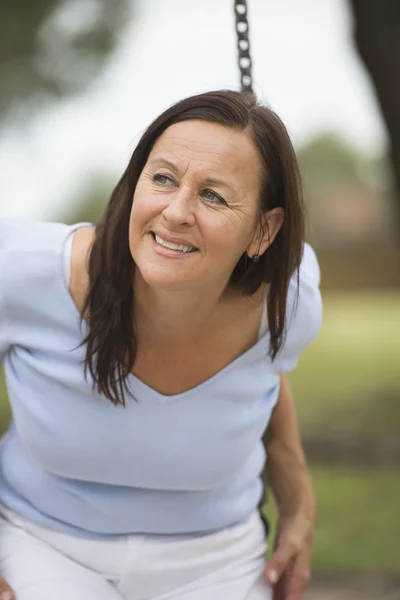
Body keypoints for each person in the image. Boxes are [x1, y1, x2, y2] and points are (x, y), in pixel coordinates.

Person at [0, 90, 322, 600]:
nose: (175, 212)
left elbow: (264, 375)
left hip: (215, 560)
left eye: (213, 195)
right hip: (47, 543)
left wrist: (300, 503)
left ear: (264, 230)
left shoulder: (288, 302)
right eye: (163, 178)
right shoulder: (26, 270)